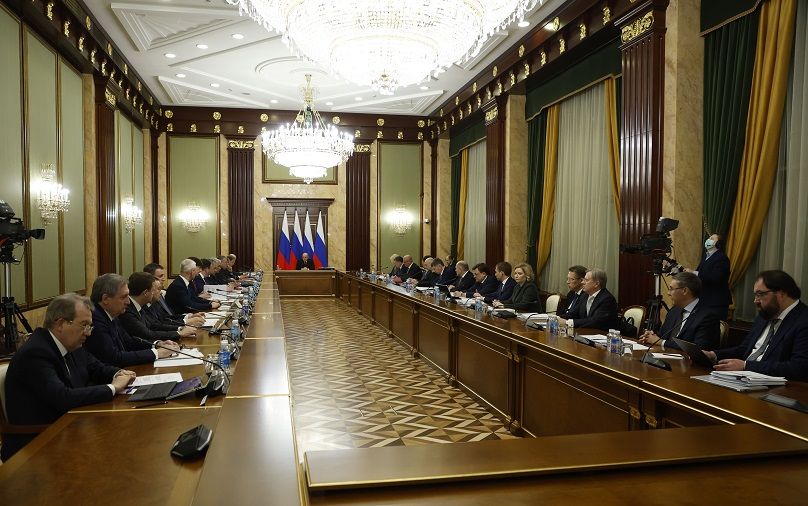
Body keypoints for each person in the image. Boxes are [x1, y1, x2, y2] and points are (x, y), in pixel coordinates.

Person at [1, 293, 136, 461]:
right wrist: (113, 387)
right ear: (61, 324)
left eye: (90, 326)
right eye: (84, 325)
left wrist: (119, 373)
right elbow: (63, 397)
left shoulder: (70, 343)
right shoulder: (35, 353)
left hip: (69, 427)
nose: (88, 333)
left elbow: (96, 367)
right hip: (38, 442)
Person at [705, 270, 808, 381]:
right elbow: (744, 349)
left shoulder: (803, 320)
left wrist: (746, 366)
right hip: (743, 379)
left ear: (782, 293)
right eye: (755, 295)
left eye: (760, 294)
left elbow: (800, 367)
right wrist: (713, 355)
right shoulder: (765, 316)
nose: (755, 301)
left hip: (776, 386)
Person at [85, 273, 179, 367]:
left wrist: (157, 344)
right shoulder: (94, 320)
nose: (128, 301)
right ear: (105, 299)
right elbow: (114, 358)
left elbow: (129, 341)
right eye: (123, 297)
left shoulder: (111, 313)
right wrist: (157, 353)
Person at [638, 272, 720, 351]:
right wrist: (650, 336)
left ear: (685, 291)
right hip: (665, 356)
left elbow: (699, 348)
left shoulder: (708, 316)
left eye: (671, 289)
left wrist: (661, 342)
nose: (668, 293)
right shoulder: (674, 311)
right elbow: (661, 336)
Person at [119, 272, 197, 342]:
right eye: (153, 290)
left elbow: (153, 325)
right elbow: (147, 334)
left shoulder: (141, 306)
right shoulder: (128, 311)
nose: (156, 293)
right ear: (145, 293)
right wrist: (179, 333)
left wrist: (180, 329)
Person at [685, 233, 731, 319]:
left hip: (716, 301)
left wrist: (694, 272)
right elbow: (699, 273)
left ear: (718, 243)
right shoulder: (705, 256)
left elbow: (716, 277)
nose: (708, 240)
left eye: (712, 238)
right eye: (709, 238)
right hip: (704, 298)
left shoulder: (722, 258)